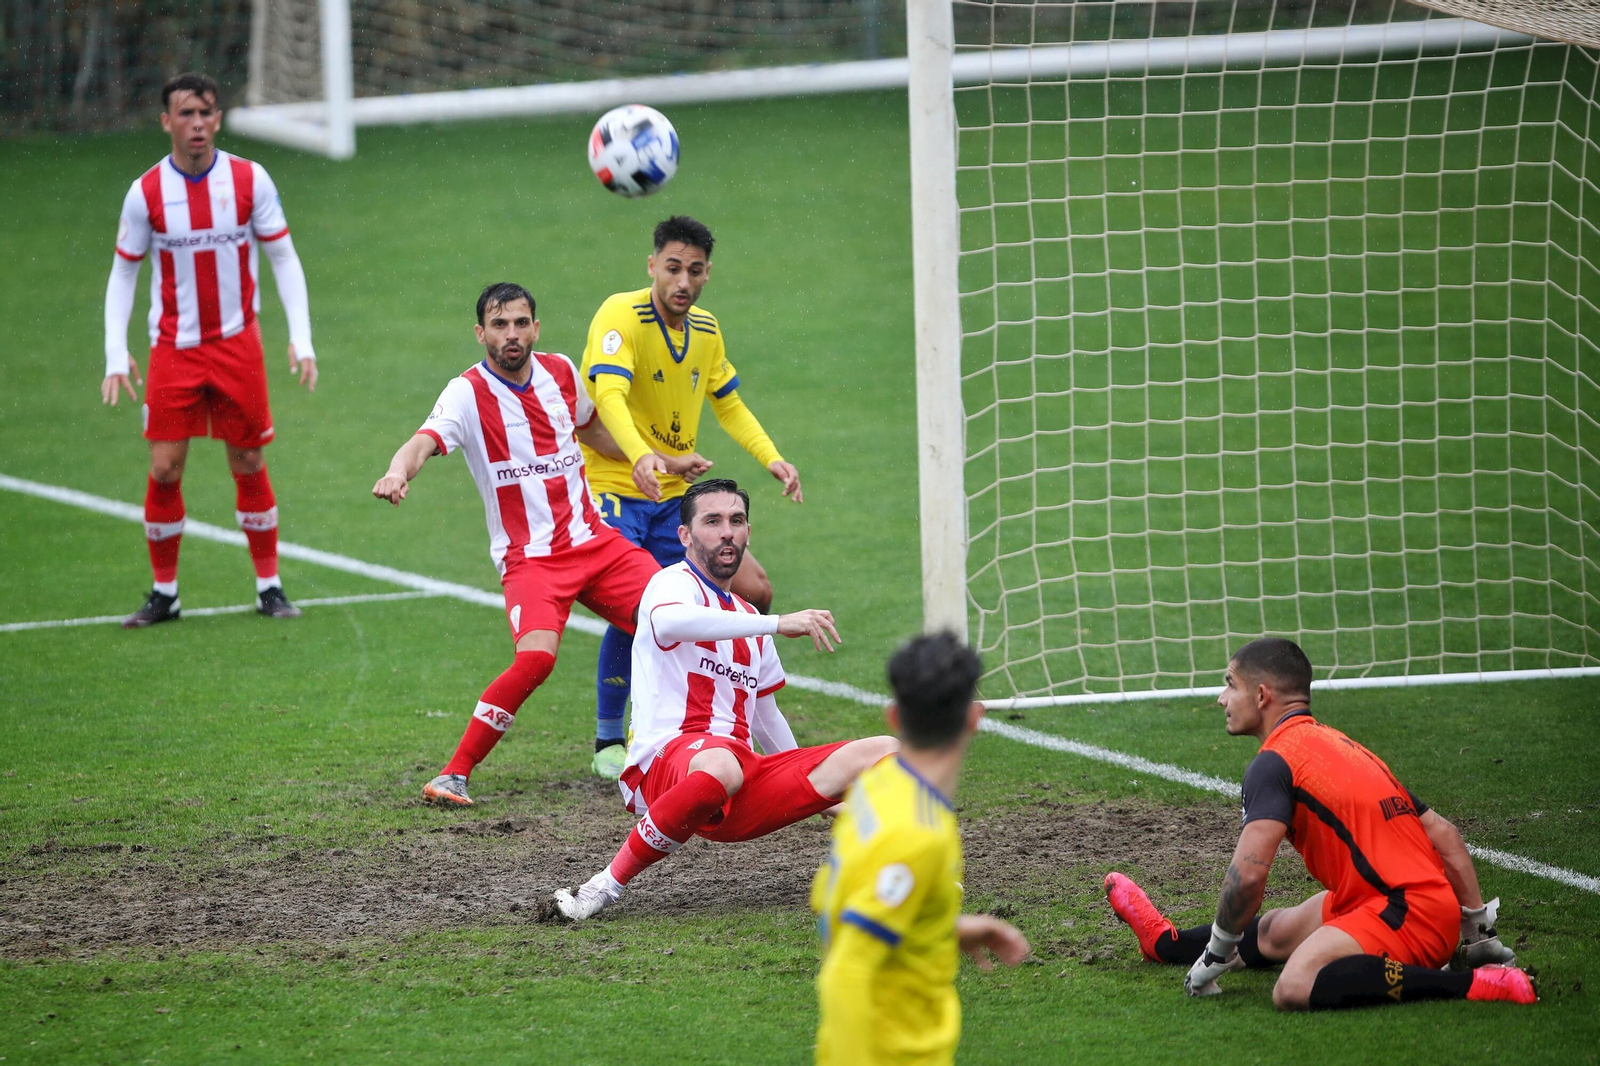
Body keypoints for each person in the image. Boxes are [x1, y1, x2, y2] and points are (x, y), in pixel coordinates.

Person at [372, 283, 701, 807]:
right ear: (480, 333)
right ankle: (454, 773)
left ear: (536, 328)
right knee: (536, 662)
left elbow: (596, 433)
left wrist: (654, 457)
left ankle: (685, 748)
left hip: (596, 544)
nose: (511, 335)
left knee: (679, 619)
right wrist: (396, 470)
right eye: (499, 325)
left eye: (520, 323)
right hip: (532, 560)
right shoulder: (466, 393)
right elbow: (423, 443)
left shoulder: (562, 372)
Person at [1104, 636, 1535, 1009]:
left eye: (1229, 685)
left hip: (1403, 911)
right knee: (1274, 931)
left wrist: (1218, 954)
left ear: (1261, 695)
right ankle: (1166, 943)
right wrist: (1480, 934)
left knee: (1294, 985)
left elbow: (1248, 876)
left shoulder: (1274, 762)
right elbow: (1444, 834)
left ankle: (1474, 985)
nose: (1221, 698)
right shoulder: (1342, 745)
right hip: (1395, 899)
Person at [553, 478, 896, 920]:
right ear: (685, 536)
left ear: (748, 533)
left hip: (737, 779)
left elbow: (767, 721)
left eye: (736, 521)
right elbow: (672, 624)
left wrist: (817, 794)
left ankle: (903, 875)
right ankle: (603, 886)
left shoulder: (749, 618)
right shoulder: (669, 585)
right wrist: (776, 623)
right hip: (665, 768)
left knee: (889, 752)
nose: (727, 532)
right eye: (712, 521)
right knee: (720, 761)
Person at [578, 216, 803, 779]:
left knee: (755, 590)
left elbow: (727, 403)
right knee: (638, 604)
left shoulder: (705, 329)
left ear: (707, 274)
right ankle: (614, 736)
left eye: (695, 270)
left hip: (673, 495)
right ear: (652, 265)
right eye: (672, 268)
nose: (683, 280)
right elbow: (608, 393)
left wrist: (771, 456)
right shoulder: (619, 315)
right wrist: (640, 457)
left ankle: (715, 707)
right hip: (614, 488)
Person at [103, 72, 319, 627]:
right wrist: (114, 350)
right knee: (166, 468)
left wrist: (301, 337)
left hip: (236, 343)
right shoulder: (145, 192)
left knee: (248, 459)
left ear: (217, 119)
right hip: (173, 348)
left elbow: (284, 259)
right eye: (185, 114)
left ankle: (269, 586)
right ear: (166, 122)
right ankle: (164, 593)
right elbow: (124, 273)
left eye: (205, 113)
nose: (196, 124)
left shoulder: (250, 180)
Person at [812, 632, 1031, 1066]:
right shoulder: (918, 833)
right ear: (974, 719)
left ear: (893, 717)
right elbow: (848, 971)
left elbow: (840, 901)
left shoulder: (876, 787)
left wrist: (938, 927)